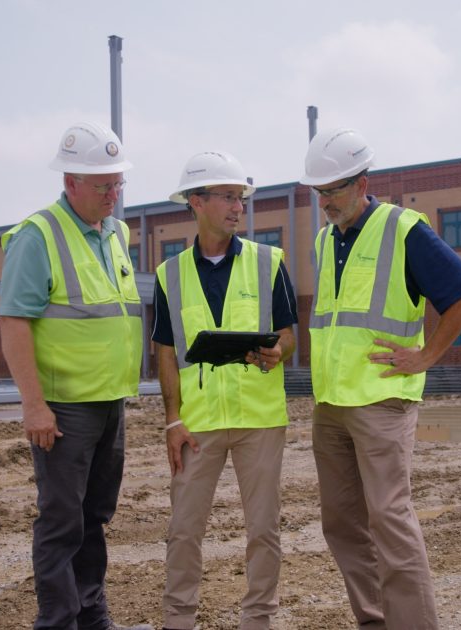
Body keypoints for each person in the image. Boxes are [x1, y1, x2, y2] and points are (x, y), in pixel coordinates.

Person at [301, 128, 461, 630]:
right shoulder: (324, 240)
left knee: (389, 519)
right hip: (331, 405)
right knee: (341, 523)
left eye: (333, 190)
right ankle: (375, 620)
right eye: (318, 193)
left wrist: (427, 355)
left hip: (383, 402)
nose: (325, 202)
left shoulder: (404, 230)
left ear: (363, 183)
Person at [0, 121, 153, 630]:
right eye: (104, 185)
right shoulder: (37, 236)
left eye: (118, 183)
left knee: (94, 518)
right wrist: (33, 405)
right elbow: (14, 322)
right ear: (71, 183)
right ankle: (58, 622)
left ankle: (93, 618)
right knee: (63, 522)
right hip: (64, 410)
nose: (115, 193)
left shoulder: (115, 232)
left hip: (110, 402)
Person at [151, 151, 299, 630]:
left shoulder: (268, 262)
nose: (239, 207)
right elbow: (166, 352)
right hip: (196, 424)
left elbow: (290, 333)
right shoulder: (168, 275)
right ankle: (179, 620)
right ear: (197, 201)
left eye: (241, 198)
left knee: (264, 530)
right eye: (229, 197)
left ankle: (258, 620)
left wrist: (279, 350)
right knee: (184, 529)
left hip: (259, 419)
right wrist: (172, 420)